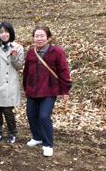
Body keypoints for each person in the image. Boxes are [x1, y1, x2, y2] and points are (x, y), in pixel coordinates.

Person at [23, 26, 72, 157]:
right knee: (31, 114)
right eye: (36, 36)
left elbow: (64, 71)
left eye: (42, 36)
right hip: (33, 89)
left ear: (48, 37)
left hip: (50, 89)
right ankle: (37, 137)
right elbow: (26, 72)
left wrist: (65, 90)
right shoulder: (31, 53)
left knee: (44, 116)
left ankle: (48, 144)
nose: (39, 39)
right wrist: (25, 88)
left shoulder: (57, 52)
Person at [0, 22, 24, 144]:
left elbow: (19, 66)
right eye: (1, 32)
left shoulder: (18, 48)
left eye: (6, 32)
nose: (4, 35)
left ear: (11, 33)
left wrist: (13, 56)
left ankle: (12, 133)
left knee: (8, 112)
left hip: (10, 84)